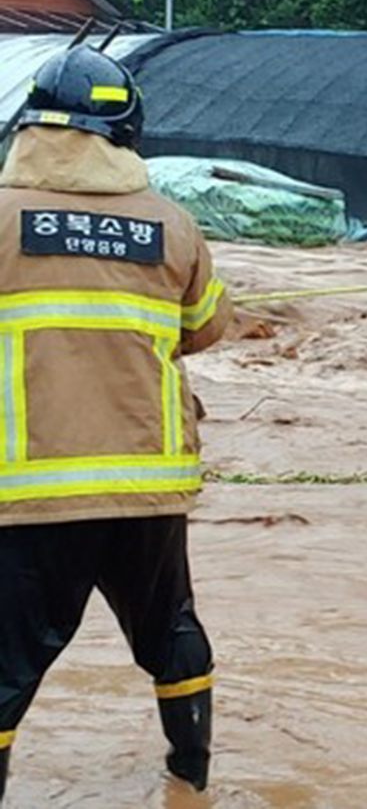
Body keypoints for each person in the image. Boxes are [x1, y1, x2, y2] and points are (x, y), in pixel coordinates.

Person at [0, 45, 231, 800]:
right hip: (146, 483)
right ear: (124, 135)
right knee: (171, 632)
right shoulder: (171, 224)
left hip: (29, 486)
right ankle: (188, 777)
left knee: (7, 661)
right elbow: (206, 325)